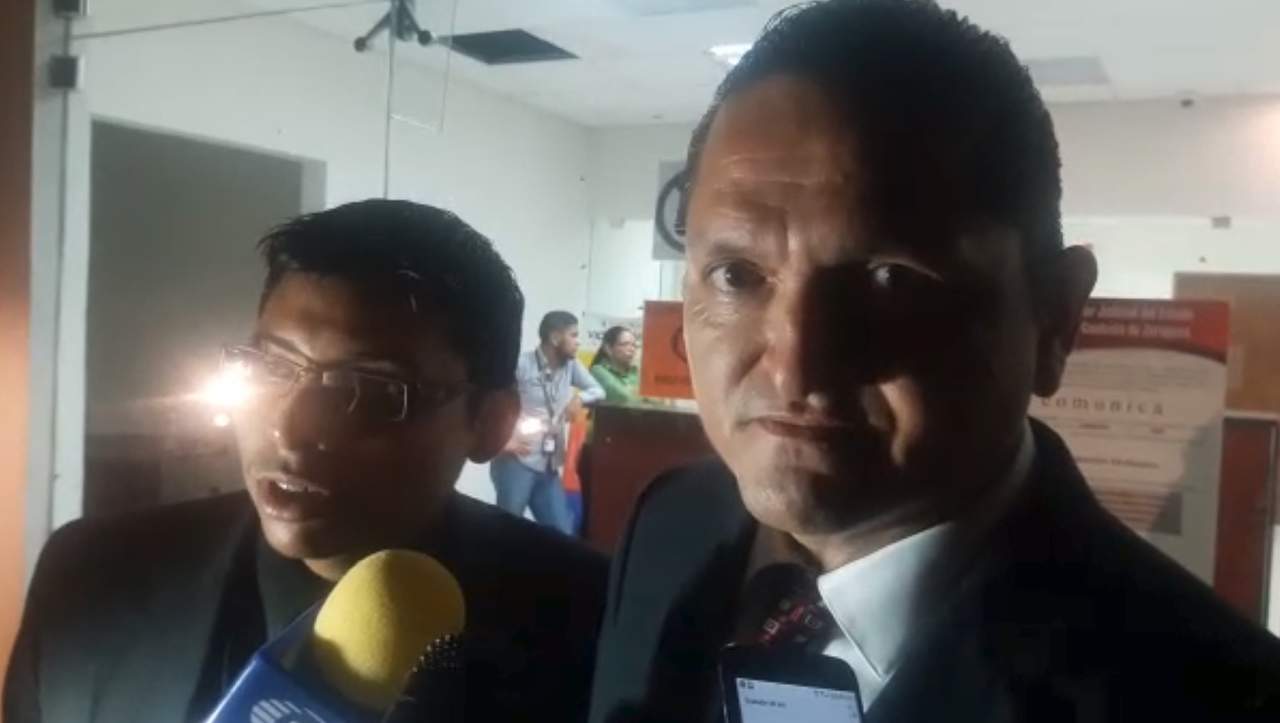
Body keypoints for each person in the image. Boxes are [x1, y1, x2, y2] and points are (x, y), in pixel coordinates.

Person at [588, 2, 1280, 722]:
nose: (795, 369)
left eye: (889, 280)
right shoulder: (671, 526)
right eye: (736, 274)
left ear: (1055, 318)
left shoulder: (1223, 697)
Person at [6, 200, 607, 723]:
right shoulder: (91, 574)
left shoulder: (595, 623)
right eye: (271, 367)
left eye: (369, 390)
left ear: (491, 423)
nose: (289, 428)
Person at [491, 310, 603, 534]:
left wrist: (579, 399)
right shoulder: (522, 365)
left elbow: (598, 391)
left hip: (548, 464)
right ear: (554, 338)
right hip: (517, 462)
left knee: (563, 533)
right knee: (507, 533)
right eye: (573, 335)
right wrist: (500, 441)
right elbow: (490, 400)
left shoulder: (571, 366)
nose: (578, 342)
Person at [590, 326, 641, 405]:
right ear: (608, 348)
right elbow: (624, 397)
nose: (632, 349)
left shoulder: (636, 371)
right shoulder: (597, 370)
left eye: (634, 345)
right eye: (625, 344)